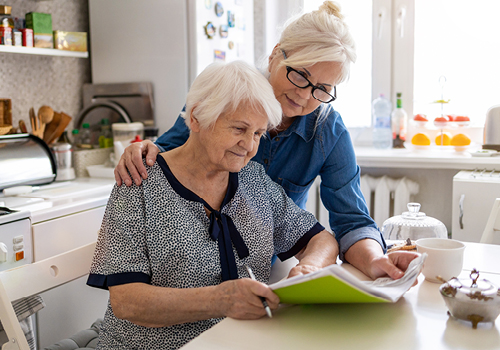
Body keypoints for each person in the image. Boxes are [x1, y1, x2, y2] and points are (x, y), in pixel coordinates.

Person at [114, 1, 419, 281]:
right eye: (300, 75)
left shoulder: (328, 131)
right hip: (191, 268)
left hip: (264, 268)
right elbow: (169, 154)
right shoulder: (225, 95)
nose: (303, 95)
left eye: (322, 88)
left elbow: (352, 221)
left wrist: (376, 260)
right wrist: (142, 150)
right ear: (276, 55)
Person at [87, 60, 339, 350]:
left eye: (258, 133)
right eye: (239, 129)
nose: (249, 145)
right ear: (196, 118)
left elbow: (322, 240)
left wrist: (309, 267)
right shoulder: (139, 182)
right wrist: (220, 300)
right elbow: (127, 302)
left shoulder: (253, 180)